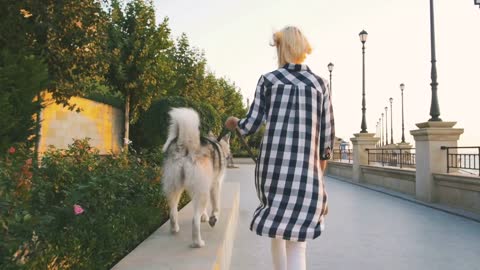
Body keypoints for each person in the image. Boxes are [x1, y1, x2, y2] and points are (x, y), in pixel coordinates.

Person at [225, 26, 335, 270]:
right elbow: (326, 142)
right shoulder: (320, 85)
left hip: (273, 171)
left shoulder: (269, 81)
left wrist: (235, 123)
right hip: (307, 174)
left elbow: (250, 125)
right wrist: (320, 178)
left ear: (281, 48)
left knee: (278, 227)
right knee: (298, 243)